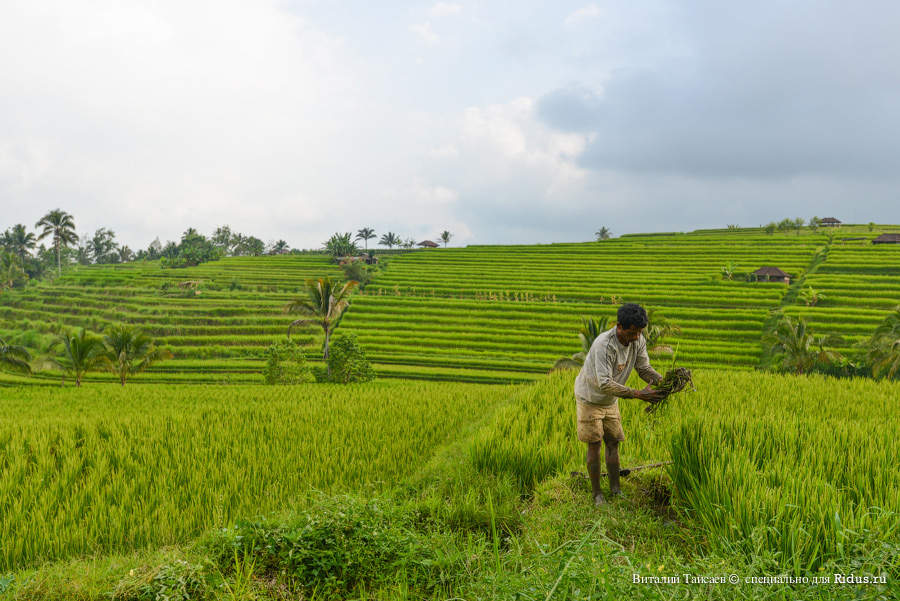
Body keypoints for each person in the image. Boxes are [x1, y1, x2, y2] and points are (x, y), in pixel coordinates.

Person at [574, 303, 665, 505]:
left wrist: (664, 382)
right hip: (590, 398)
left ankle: (616, 490)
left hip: (611, 399)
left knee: (613, 442)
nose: (636, 337)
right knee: (595, 444)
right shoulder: (603, 345)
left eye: (640, 332)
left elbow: (643, 368)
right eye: (632, 332)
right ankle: (597, 494)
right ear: (620, 327)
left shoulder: (638, 339)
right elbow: (605, 383)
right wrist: (638, 394)